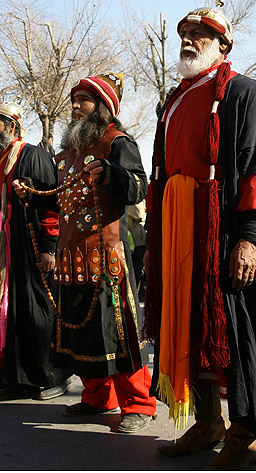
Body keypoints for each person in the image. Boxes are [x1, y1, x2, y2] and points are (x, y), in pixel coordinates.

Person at [144, 0, 256, 470]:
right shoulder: (174, 100)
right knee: (194, 328)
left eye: (202, 33)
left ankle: (245, 430)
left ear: (223, 45)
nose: (189, 39)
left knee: (236, 332)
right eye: (185, 32)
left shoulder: (243, 93)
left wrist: (251, 238)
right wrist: (158, 242)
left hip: (225, 235)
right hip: (180, 239)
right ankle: (209, 422)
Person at [14, 73, 157, 433]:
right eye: (74, 99)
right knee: (82, 335)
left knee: (118, 333)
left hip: (107, 258)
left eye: (84, 100)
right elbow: (56, 198)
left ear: (103, 106)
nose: (75, 105)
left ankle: (139, 403)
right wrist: (31, 192)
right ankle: (97, 397)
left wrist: (109, 173)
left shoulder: (117, 142)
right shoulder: (64, 154)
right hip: (69, 259)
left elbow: (138, 186)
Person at [0, 100, 71, 401]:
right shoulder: (0, 161)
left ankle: (51, 377)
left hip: (30, 246)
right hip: (6, 248)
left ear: (11, 125)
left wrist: (49, 249)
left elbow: (51, 205)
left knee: (37, 313)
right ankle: (17, 379)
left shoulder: (33, 155)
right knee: (10, 310)